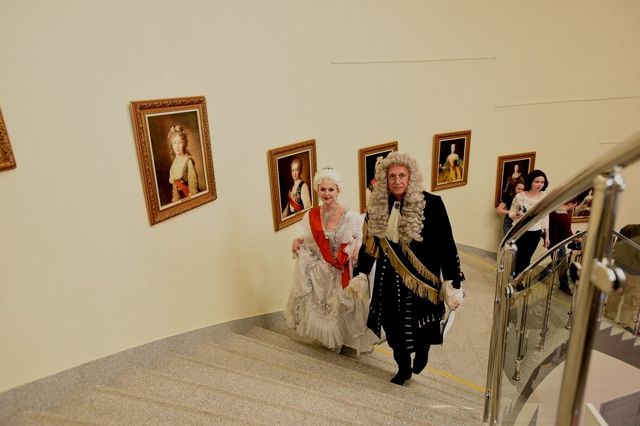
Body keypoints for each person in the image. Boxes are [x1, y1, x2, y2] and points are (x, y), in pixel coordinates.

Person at [352, 152, 464, 385]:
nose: (397, 181)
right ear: (385, 179)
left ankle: (423, 350)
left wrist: (453, 281)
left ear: (410, 177)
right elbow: (369, 245)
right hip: (387, 278)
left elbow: (446, 244)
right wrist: (361, 273)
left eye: (401, 175)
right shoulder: (376, 206)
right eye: (391, 176)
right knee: (393, 330)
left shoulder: (432, 204)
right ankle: (403, 367)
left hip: (421, 282)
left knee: (421, 325)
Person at [284, 168, 379, 354]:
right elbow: (311, 239)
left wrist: (355, 249)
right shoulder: (311, 215)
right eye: (323, 189)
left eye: (331, 189)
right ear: (317, 190)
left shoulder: (350, 216)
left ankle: (344, 340)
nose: (326, 194)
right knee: (324, 306)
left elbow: (360, 238)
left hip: (341, 268)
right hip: (321, 269)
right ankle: (328, 341)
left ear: (338, 190)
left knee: (341, 306)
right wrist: (298, 240)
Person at [508, 169, 551, 276]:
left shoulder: (544, 197)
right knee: (517, 257)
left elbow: (545, 216)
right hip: (519, 231)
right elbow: (511, 213)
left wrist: (547, 236)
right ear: (530, 181)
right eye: (536, 182)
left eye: (542, 182)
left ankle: (520, 280)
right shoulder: (520, 196)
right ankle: (512, 278)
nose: (539, 185)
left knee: (527, 258)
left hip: (535, 233)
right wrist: (517, 215)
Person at [603, 224, 640, 333]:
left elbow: (616, 248)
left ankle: (609, 315)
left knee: (615, 293)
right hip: (635, 271)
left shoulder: (628, 228)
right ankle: (625, 323)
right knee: (632, 299)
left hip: (619, 266)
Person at [548, 198, 578, 295]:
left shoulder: (553, 212)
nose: (574, 207)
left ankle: (541, 276)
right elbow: (568, 234)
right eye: (574, 205)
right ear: (570, 204)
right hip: (558, 244)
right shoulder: (564, 217)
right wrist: (577, 239)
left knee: (557, 261)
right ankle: (564, 286)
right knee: (562, 264)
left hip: (551, 242)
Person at [168, 125, 200, 203]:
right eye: (174, 143)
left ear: (184, 143)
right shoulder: (174, 163)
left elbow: (193, 188)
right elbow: (175, 188)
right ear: (171, 145)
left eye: (180, 142)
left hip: (189, 198)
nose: (177, 146)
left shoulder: (188, 160)